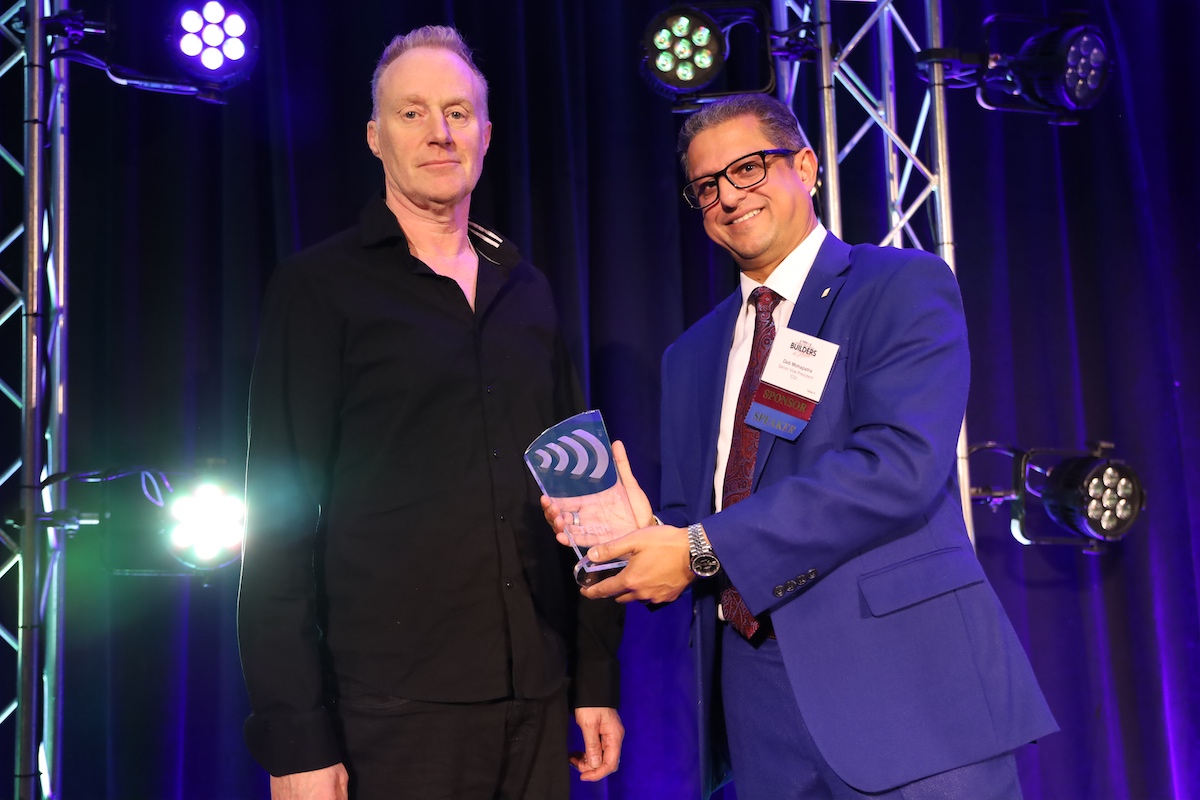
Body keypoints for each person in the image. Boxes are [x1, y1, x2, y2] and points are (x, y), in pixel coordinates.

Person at [545, 92, 1057, 799]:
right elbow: (699, 523)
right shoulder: (689, 356)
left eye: (750, 167)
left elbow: (898, 466)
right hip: (760, 715)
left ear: (807, 167)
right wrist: (638, 538)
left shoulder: (899, 285)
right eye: (707, 186)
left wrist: (698, 547)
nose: (729, 196)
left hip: (909, 693)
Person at [238, 25, 624, 800]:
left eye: (457, 111)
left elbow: (584, 497)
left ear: (485, 134)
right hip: (392, 710)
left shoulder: (529, 290)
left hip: (537, 698)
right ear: (376, 137)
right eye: (412, 113)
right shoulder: (319, 289)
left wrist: (594, 678)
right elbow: (276, 518)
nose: (439, 132)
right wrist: (297, 740)